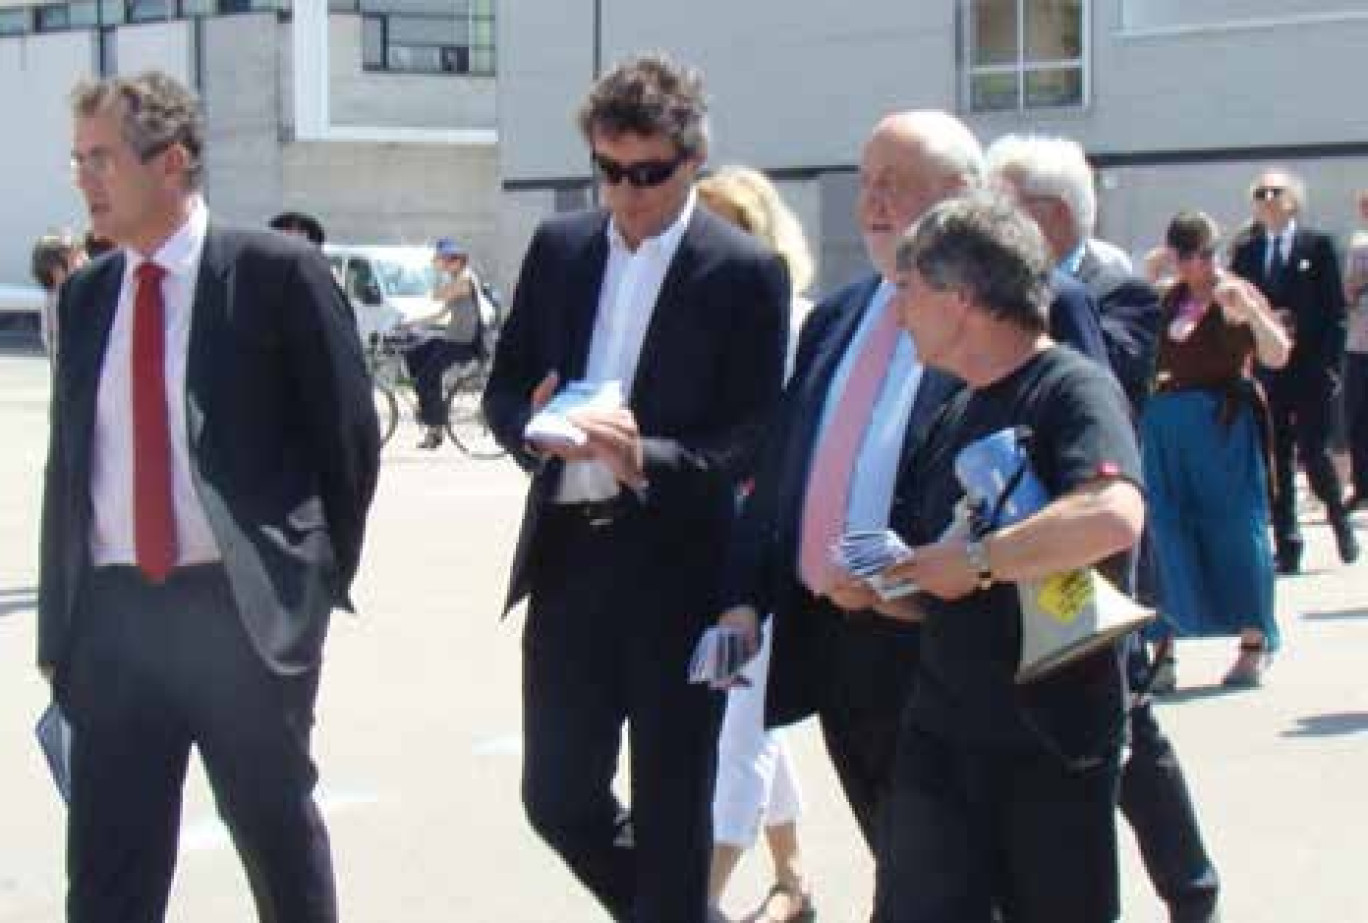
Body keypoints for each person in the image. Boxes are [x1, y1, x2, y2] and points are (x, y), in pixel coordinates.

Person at [39, 70, 380, 922]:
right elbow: (69, 469)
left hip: (238, 617)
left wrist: (304, 590)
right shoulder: (86, 294)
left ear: (172, 162)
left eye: (102, 159)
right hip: (115, 624)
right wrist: (60, 627)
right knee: (108, 869)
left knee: (277, 845)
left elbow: (349, 443)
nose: (84, 179)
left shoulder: (274, 273)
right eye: (77, 159)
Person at [481, 54, 789, 923]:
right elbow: (503, 388)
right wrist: (526, 427)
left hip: (675, 570)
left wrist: (646, 454)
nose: (626, 193)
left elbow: (754, 438)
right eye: (608, 171)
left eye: (646, 173)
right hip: (570, 558)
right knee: (557, 796)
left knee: (672, 815)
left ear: (691, 160)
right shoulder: (561, 246)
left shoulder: (743, 272)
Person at [854, 191, 1144, 922]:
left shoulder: (1071, 387)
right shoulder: (958, 405)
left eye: (909, 290)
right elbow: (949, 560)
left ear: (961, 299)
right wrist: (902, 579)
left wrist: (978, 559)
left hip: (1046, 735)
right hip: (945, 726)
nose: (898, 310)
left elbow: (1112, 514)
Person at [987, 136, 1222, 922]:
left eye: (999, 202)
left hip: (1089, 553)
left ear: (1046, 214)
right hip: (1016, 541)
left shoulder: (1114, 289)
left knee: (1124, 724)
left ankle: (1191, 889)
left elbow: (1103, 401)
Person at [697, 165, 816, 923]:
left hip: (767, 548)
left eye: (729, 226)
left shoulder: (802, 323)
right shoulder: (696, 328)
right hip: (701, 543)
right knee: (747, 711)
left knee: (736, 722)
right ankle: (794, 878)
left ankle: (696, 896)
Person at [1144, 211, 1290, 688]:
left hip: (1221, 424)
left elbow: (1277, 354)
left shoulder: (1235, 294)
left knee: (1233, 527)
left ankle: (1253, 640)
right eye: (1186, 255)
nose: (1197, 266)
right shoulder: (1169, 298)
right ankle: (1163, 650)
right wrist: (1151, 276)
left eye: (1205, 254)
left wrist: (1248, 312)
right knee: (1165, 528)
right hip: (1168, 424)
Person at [1230, 168, 1357, 573]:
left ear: (1292, 199)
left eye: (1275, 191)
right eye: (1259, 193)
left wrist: (1331, 365)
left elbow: (1336, 312)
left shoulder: (1316, 246)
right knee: (1276, 457)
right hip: (1269, 371)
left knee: (1315, 453)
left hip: (1311, 368)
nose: (1267, 199)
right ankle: (1288, 542)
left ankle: (1338, 517)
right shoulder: (1248, 252)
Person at [403, 238, 486, 449]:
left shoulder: (465, 280)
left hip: (464, 342)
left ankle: (435, 427)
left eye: (442, 259)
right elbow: (441, 312)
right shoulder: (456, 278)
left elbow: (437, 296)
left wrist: (437, 274)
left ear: (456, 261)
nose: (438, 263)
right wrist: (413, 322)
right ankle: (428, 406)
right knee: (416, 352)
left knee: (425, 378)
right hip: (453, 338)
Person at [1341, 189, 1368, 510]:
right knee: (1358, 418)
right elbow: (1347, 292)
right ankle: (1361, 484)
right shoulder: (1359, 246)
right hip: (1360, 342)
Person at [30, 229, 88, 360]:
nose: (86, 261)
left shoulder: (60, 298)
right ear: (56, 271)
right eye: (78, 258)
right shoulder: (59, 302)